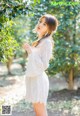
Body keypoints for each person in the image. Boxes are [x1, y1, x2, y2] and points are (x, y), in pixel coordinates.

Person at [23, 14, 59, 116]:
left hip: (39, 80)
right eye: (40, 22)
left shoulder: (47, 42)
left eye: (44, 24)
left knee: (40, 112)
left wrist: (31, 51)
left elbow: (44, 65)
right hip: (34, 79)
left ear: (49, 28)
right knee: (38, 112)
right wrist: (31, 51)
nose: (40, 25)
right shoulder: (40, 41)